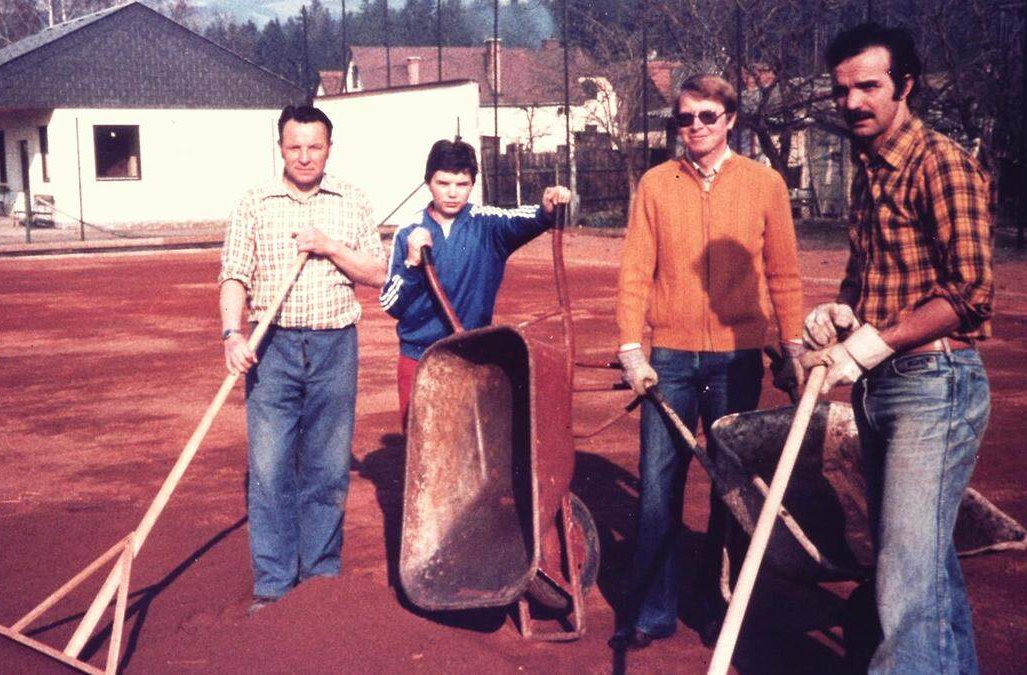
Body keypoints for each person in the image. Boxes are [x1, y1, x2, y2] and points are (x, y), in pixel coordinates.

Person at [801, 24, 993, 673]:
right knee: (923, 564)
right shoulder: (866, 172)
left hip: (935, 382)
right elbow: (867, 280)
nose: (853, 101)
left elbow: (970, 291)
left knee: (904, 575)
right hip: (880, 385)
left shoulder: (940, 163)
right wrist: (840, 315)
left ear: (905, 85)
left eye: (869, 86)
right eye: (843, 89)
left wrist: (874, 341)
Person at [612, 74, 805, 650]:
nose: (694, 127)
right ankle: (652, 610)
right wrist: (630, 347)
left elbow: (784, 274)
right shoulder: (655, 184)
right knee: (657, 489)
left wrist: (792, 349)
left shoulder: (764, 184)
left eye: (707, 116)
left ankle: (722, 605)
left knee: (733, 489)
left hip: (737, 359)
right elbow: (634, 272)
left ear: (731, 121)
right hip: (667, 360)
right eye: (685, 118)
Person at [219, 104, 387, 614]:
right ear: (281, 148)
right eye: (295, 147)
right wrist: (232, 333)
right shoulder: (256, 202)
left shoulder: (351, 200)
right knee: (269, 470)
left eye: (315, 146)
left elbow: (377, 273)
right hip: (272, 350)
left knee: (328, 469)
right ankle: (272, 584)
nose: (305, 156)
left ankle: (320, 580)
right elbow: (234, 275)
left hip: (336, 346)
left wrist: (329, 246)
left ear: (329, 148)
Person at [379, 138, 571, 425]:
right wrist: (410, 263)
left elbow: (530, 218)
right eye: (443, 183)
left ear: (472, 184)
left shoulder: (488, 224)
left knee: (473, 449)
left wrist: (547, 207)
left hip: (471, 357)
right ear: (428, 183)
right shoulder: (409, 231)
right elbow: (390, 304)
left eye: (462, 184)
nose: (453, 193)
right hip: (419, 358)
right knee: (421, 451)